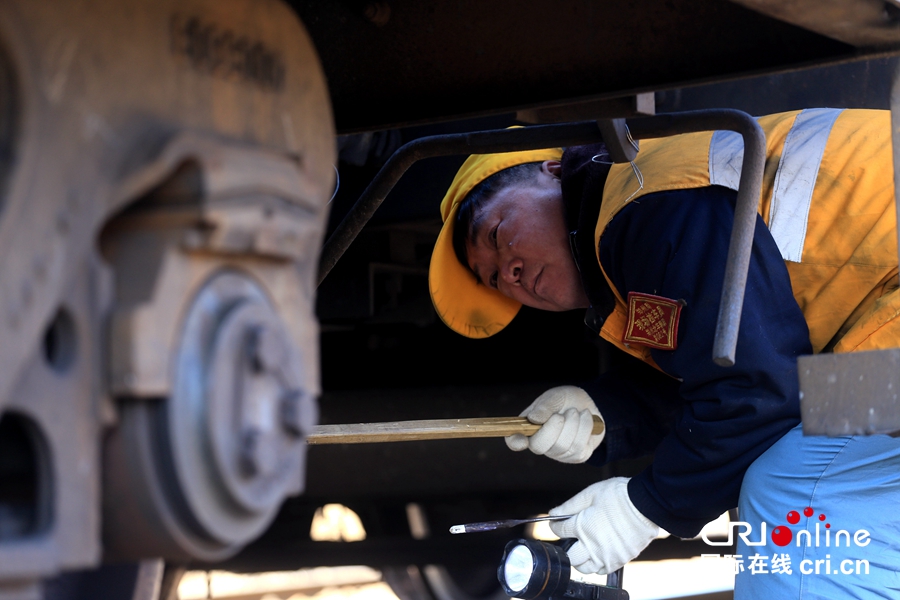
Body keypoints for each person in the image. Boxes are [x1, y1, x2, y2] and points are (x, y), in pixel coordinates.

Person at [428, 109, 900, 598]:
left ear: (551, 172)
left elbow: (762, 396)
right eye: (494, 280)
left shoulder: (650, 206)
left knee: (793, 484)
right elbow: (742, 366)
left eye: (498, 235)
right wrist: (609, 412)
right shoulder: (634, 214)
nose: (510, 274)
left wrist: (647, 506)